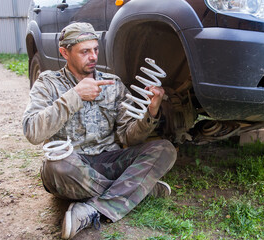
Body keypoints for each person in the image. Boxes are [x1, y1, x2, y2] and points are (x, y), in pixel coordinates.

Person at [22, 22, 177, 239]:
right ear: (64, 52)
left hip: (108, 161)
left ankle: (92, 209)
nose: (93, 56)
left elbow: (128, 137)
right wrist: (75, 96)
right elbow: (32, 132)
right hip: (72, 165)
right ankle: (139, 190)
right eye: (85, 51)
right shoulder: (48, 84)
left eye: (95, 49)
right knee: (55, 166)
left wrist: (150, 113)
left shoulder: (112, 84)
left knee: (165, 149)